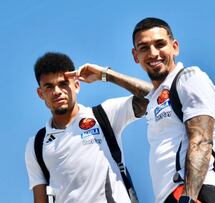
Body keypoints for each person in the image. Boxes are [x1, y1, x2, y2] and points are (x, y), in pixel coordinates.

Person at [24, 52, 152, 203]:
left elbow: (154, 97)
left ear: (77, 85)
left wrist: (105, 74)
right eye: (49, 87)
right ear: (40, 94)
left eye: (63, 84)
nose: (57, 92)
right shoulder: (36, 145)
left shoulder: (103, 115)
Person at [130, 18, 215, 203]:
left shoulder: (190, 78)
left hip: (193, 192)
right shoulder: (157, 96)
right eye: (144, 48)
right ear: (136, 56)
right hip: (172, 196)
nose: (153, 53)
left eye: (160, 44)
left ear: (175, 47)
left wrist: (188, 198)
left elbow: (201, 141)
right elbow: (146, 92)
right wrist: (106, 75)